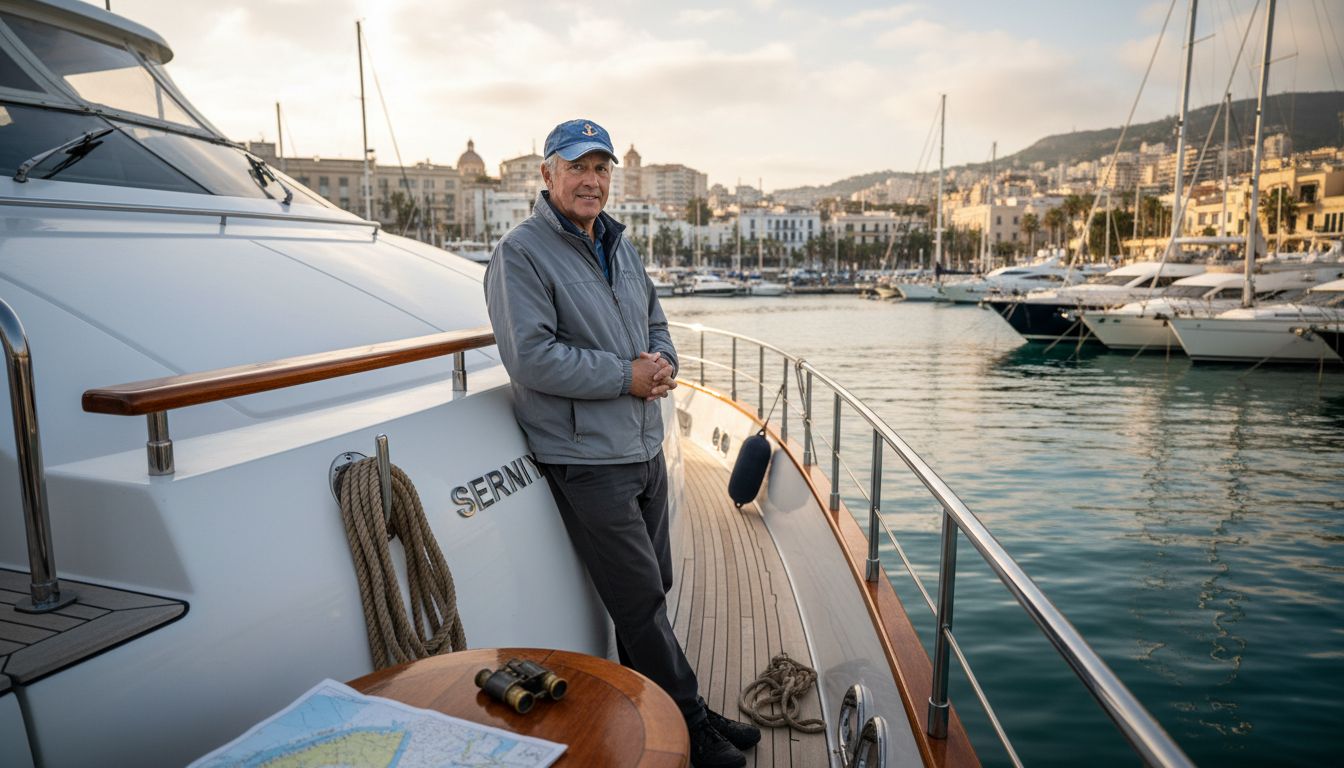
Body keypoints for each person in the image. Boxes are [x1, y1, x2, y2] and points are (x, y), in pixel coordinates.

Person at [484, 118, 760, 768]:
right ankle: (692, 726)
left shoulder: (619, 246)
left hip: (642, 445)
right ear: (547, 174)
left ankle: (663, 709)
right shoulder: (520, 254)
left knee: (655, 586)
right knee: (640, 602)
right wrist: (625, 377)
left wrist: (662, 361)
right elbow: (532, 358)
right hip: (587, 459)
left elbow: (654, 318)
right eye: (578, 166)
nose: (592, 180)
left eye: (601, 168)